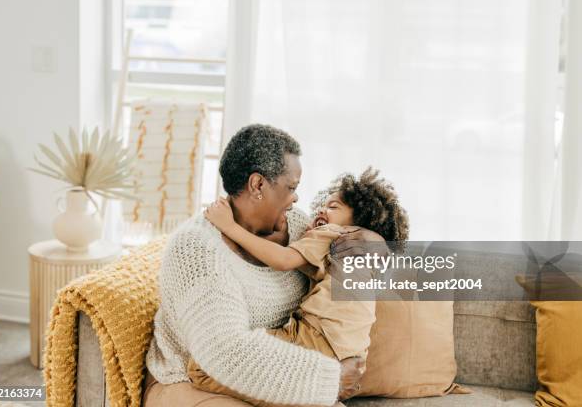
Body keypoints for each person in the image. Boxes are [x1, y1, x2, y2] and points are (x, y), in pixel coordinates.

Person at [143, 124, 383, 407]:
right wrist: (330, 378)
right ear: (258, 185)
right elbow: (222, 352)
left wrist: (371, 240)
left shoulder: (297, 226)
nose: (296, 198)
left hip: (279, 373)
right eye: (291, 187)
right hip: (194, 379)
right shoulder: (197, 249)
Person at [187, 168, 410, 407]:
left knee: (202, 366)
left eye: (334, 207)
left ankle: (309, 394)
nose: (323, 210)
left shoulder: (335, 234)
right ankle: (314, 393)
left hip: (315, 338)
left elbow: (283, 260)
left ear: (360, 219)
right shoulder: (367, 255)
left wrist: (229, 226)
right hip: (350, 354)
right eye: (323, 205)